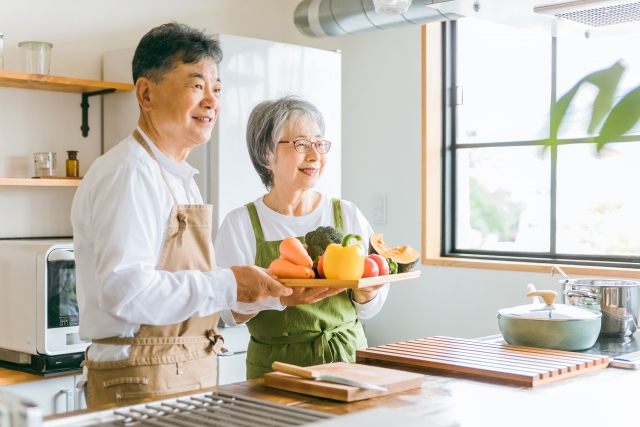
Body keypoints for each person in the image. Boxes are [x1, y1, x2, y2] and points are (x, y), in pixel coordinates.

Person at [70, 23, 292, 408]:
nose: (212, 101)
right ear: (146, 93)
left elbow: (191, 297)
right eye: (196, 85)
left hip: (183, 372)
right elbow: (125, 291)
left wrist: (274, 294)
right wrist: (229, 284)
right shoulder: (129, 173)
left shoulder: (180, 177)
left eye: (217, 89)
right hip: (138, 380)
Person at [214, 96, 389, 379]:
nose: (315, 156)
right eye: (301, 144)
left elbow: (369, 310)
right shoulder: (241, 223)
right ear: (266, 154)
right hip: (275, 370)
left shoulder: (346, 214)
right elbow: (229, 314)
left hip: (347, 362)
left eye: (319, 143)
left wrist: (367, 291)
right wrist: (279, 296)